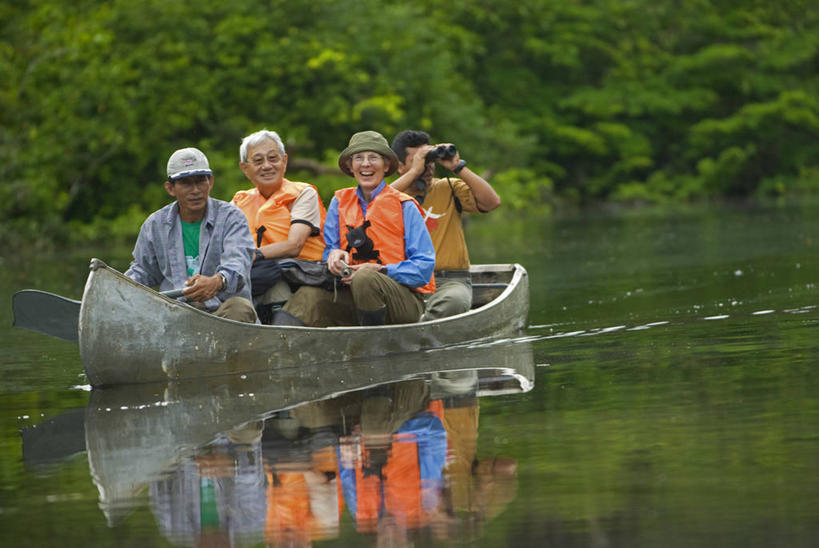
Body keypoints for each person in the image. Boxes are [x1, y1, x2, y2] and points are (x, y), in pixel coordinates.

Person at [281, 130, 435, 326]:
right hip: (353, 294)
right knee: (308, 295)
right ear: (350, 166)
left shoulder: (406, 205)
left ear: (386, 165)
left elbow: (423, 268)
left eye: (373, 157)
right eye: (358, 158)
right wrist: (333, 257)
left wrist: (382, 270)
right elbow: (329, 249)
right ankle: (277, 344)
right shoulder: (339, 202)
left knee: (364, 278)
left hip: (403, 300)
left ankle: (373, 347)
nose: (366, 164)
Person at [125, 147, 257, 323]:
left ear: (210, 182)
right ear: (170, 188)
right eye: (186, 183)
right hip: (174, 313)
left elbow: (238, 262)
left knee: (240, 307)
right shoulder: (155, 224)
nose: (195, 190)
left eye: (200, 181)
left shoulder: (232, 217)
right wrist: (116, 288)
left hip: (221, 312)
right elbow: (142, 271)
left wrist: (217, 281)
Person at [390, 130, 501, 320]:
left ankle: (421, 327)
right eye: (421, 161)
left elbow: (491, 202)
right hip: (404, 282)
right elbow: (372, 207)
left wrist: (458, 167)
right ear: (399, 166)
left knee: (453, 301)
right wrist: (415, 171)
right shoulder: (391, 196)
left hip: (450, 281)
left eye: (430, 160)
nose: (428, 167)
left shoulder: (448, 187)